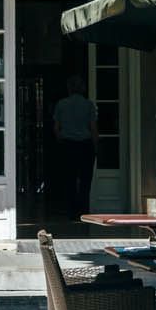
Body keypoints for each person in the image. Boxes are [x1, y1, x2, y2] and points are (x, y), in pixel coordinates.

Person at [52, 74, 97, 218]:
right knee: (85, 180)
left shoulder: (61, 104)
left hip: (68, 145)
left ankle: (71, 210)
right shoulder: (89, 104)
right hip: (85, 145)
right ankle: (83, 211)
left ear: (69, 88)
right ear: (82, 88)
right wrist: (96, 145)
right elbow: (93, 127)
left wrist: (60, 139)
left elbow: (56, 128)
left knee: (69, 179)